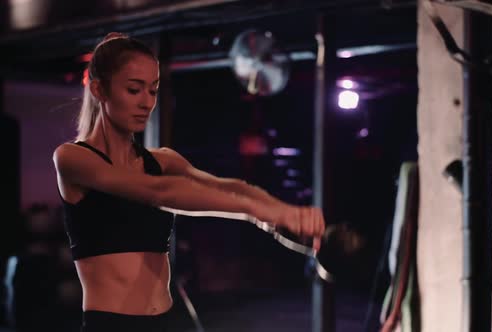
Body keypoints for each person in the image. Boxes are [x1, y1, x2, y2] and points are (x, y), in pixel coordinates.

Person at [52, 32, 325, 332]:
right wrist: (260, 212)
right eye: (134, 89)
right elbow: (157, 191)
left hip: (167, 320)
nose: (146, 102)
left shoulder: (163, 160)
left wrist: (284, 213)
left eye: (153, 91)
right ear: (99, 89)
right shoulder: (72, 159)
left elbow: (228, 187)